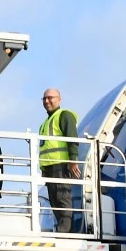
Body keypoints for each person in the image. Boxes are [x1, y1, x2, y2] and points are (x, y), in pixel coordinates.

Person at [38, 88, 80, 233]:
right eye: (44, 98)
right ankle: (63, 230)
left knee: (62, 199)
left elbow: (72, 138)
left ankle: (66, 233)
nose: (47, 101)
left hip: (61, 166)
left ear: (59, 99)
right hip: (50, 167)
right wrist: (43, 169)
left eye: (50, 98)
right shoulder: (45, 122)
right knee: (54, 201)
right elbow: (45, 147)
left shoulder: (64, 115)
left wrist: (73, 160)